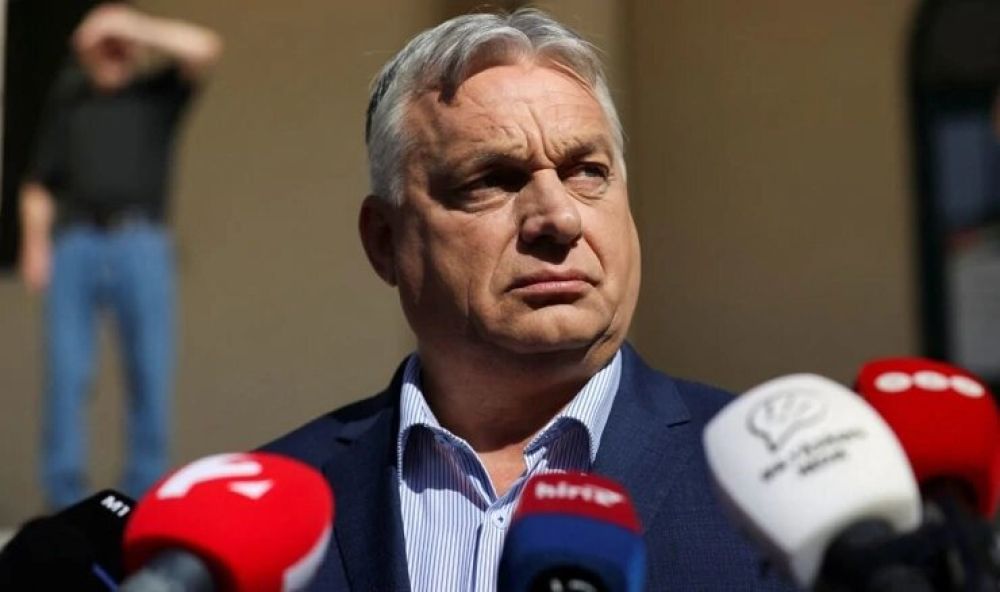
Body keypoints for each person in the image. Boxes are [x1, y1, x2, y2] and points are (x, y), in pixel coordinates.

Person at [264, 9, 794, 591]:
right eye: (493, 179)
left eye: (586, 171)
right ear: (385, 241)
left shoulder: (777, 478)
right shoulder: (262, 514)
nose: (559, 218)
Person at [19, 3, 222, 509]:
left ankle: (140, 500)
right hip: (76, 246)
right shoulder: (70, 104)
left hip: (142, 244)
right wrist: (35, 246)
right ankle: (65, 501)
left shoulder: (155, 97)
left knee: (150, 371)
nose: (113, 55)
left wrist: (130, 24)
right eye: (104, 47)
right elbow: (38, 185)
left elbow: (205, 48)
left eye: (120, 48)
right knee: (67, 375)